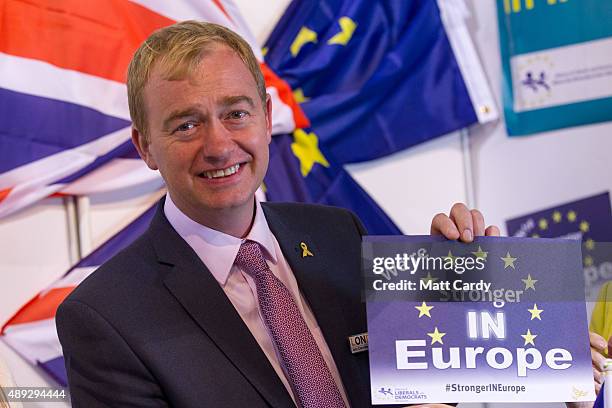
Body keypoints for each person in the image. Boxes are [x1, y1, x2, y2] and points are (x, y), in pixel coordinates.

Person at [55, 21, 603, 407]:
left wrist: (481, 306)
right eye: (185, 125)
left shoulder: (340, 235)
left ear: (267, 118)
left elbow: (431, 381)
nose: (219, 145)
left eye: (236, 113)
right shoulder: (104, 318)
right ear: (145, 146)